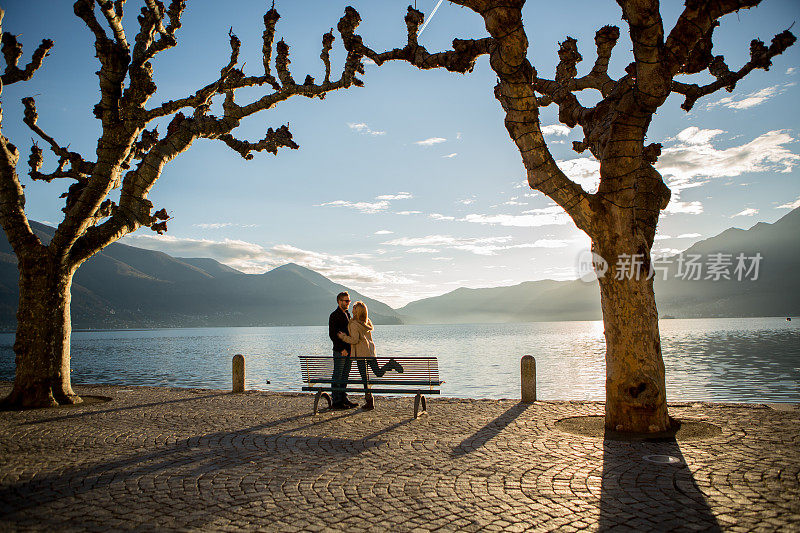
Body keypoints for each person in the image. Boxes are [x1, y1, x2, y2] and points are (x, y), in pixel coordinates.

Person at [338, 301, 403, 410]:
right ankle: (390, 364)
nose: (352, 309)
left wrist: (343, 337)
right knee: (377, 372)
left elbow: (354, 340)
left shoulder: (354, 324)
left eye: (354, 308)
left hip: (361, 355)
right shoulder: (366, 322)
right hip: (370, 352)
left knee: (365, 379)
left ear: (357, 311)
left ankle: (370, 402)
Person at [328, 292, 357, 409]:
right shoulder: (334, 316)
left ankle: (343, 398)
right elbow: (333, 335)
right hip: (340, 351)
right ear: (339, 302)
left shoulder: (348, 314)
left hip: (349, 350)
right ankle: (336, 401)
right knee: (338, 375)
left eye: (349, 301)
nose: (348, 303)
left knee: (345, 375)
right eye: (346, 301)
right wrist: (342, 349)